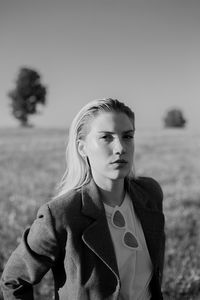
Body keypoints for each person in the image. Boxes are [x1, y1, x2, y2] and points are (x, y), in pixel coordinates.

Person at [1, 98, 165, 300]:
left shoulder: (150, 193)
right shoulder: (61, 214)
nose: (120, 147)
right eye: (106, 137)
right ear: (82, 148)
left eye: (128, 136)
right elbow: (14, 280)